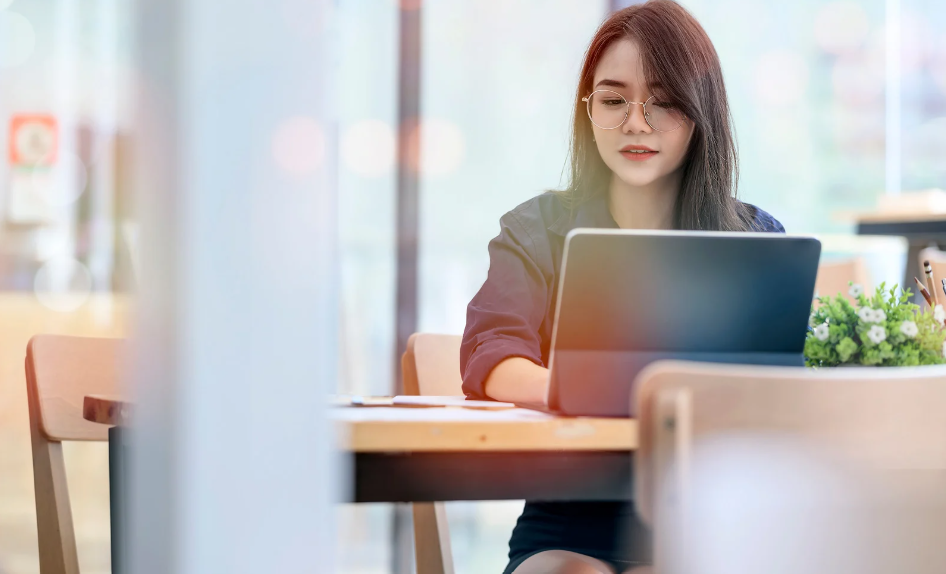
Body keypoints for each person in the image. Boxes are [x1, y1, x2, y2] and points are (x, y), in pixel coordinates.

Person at [459, 1, 785, 573]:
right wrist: (601, 389)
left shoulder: (754, 238)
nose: (637, 122)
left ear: (701, 112)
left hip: (711, 528)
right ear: (588, 113)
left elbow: (785, 385)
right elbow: (492, 355)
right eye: (613, 101)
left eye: (662, 102)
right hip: (566, 528)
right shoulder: (537, 228)